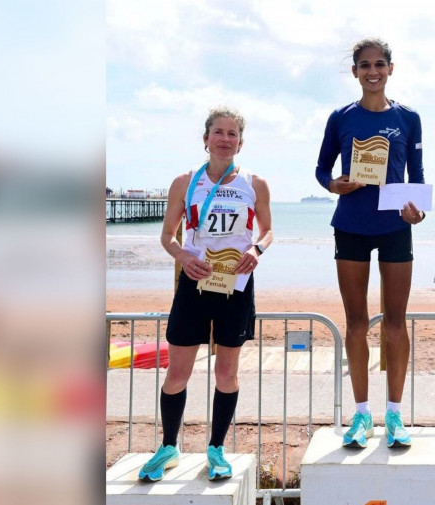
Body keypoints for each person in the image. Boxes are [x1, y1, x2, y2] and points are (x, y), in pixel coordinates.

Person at [138, 106, 273, 482]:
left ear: (240, 143)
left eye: (232, 134)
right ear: (205, 139)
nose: (225, 139)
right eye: (218, 132)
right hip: (194, 284)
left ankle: (216, 448)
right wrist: (182, 256)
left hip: (235, 285)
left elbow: (267, 231)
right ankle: (168, 447)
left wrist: (256, 250)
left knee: (225, 373)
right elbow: (167, 235)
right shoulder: (184, 182)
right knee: (177, 373)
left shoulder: (255, 183)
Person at [315, 38, 425, 449]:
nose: (372, 71)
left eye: (380, 64)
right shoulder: (340, 118)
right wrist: (334, 185)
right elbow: (322, 168)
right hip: (351, 226)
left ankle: (394, 415)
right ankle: (361, 416)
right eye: (365, 65)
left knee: (395, 323)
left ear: (391, 69)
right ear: (355, 72)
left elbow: (416, 176)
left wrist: (418, 211)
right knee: (357, 323)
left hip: (396, 226)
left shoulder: (409, 118)